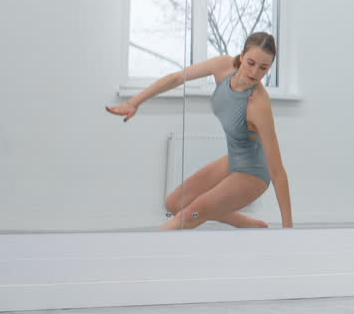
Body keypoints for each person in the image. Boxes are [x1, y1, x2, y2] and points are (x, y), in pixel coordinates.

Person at [107, 32, 292, 230]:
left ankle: (143, 250)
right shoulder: (223, 66)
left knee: (187, 215)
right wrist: (134, 102)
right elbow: (177, 78)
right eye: (251, 62)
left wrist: (288, 230)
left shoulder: (259, 105)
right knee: (174, 203)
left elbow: (277, 171)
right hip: (233, 160)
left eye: (264, 68)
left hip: (254, 173)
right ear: (242, 56)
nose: (255, 72)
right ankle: (247, 224)